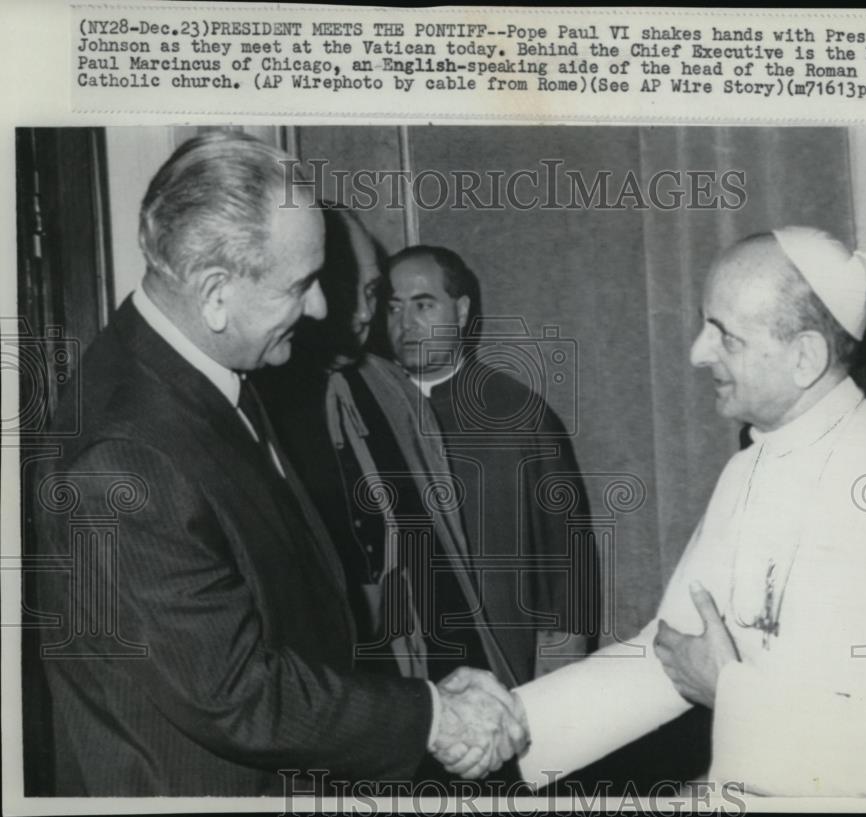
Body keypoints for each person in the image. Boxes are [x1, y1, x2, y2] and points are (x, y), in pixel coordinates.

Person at [30, 131, 526, 795]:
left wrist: (418, 694)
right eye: (301, 285)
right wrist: (429, 717)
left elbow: (289, 617)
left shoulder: (207, 368)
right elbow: (235, 692)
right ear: (214, 294)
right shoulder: (122, 458)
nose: (321, 307)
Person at [511, 227, 866, 797]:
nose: (696, 352)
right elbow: (670, 652)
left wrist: (731, 694)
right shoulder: (751, 466)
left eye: (725, 337)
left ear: (805, 357)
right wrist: (513, 722)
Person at [254, 207, 517, 689]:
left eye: (373, 293)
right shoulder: (261, 400)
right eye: (341, 289)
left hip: (445, 668)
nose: (361, 313)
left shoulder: (391, 387)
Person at [386, 246, 601, 685]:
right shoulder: (364, 411)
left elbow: (567, 554)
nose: (405, 325)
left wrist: (559, 675)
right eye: (393, 308)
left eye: (424, 305)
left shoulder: (519, 415)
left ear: (461, 311)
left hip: (500, 659)